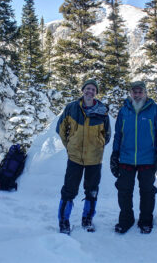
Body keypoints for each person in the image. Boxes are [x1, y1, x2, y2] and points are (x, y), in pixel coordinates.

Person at [110, 81, 157, 234]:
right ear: (130, 93)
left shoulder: (154, 110)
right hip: (126, 158)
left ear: (145, 93)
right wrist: (115, 154)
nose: (137, 95)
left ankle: (145, 221)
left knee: (147, 191)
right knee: (124, 191)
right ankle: (126, 219)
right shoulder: (124, 111)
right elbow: (118, 135)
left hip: (148, 159)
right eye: (134, 92)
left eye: (140, 92)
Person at [56, 79, 111, 234]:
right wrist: (70, 145)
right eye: (88, 88)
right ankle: (64, 221)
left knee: (92, 190)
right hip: (75, 158)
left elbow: (107, 134)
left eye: (93, 89)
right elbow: (60, 128)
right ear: (83, 90)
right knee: (69, 190)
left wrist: (98, 146)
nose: (90, 91)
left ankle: (87, 219)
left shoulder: (102, 111)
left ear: (96, 93)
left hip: (94, 159)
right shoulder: (72, 108)